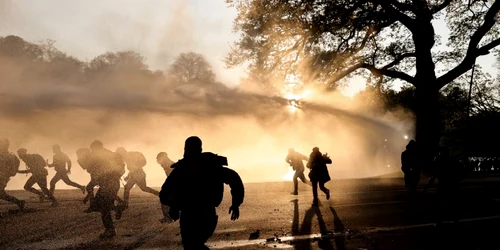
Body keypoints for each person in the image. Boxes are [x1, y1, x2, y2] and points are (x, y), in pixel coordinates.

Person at [159, 136, 245, 250]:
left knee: (193, 246)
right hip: (196, 215)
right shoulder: (185, 169)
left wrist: (236, 204)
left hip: (199, 215)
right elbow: (164, 194)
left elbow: (234, 180)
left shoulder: (205, 167)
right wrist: (175, 205)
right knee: (193, 246)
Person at [87, 140, 126, 239]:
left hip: (107, 184)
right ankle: (118, 208)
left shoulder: (99, 157)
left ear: (96, 148)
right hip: (113, 183)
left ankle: (110, 230)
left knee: (103, 207)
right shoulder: (111, 154)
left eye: (93, 149)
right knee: (102, 206)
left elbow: (94, 171)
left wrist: (94, 182)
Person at [0, 138, 25, 210]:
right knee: (1, 194)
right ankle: (19, 202)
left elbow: (13, 171)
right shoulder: (8, 155)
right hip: (3, 177)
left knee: (1, 194)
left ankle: (19, 202)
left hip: (2, 178)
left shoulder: (9, 156)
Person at [157, 152, 176, 223]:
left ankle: (168, 218)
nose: (158, 161)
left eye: (158, 159)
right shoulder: (166, 164)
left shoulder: (169, 165)